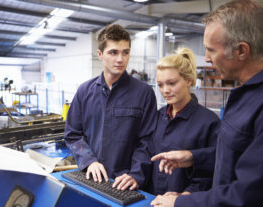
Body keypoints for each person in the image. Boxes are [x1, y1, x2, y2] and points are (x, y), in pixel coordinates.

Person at [150, 0, 263, 206]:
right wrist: (193, 157)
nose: (207, 59)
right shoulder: (243, 95)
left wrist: (180, 203)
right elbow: (233, 156)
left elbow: (248, 194)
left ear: (241, 51)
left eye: (211, 50)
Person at [64, 24, 157, 191]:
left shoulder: (144, 93)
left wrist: (136, 174)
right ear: (100, 54)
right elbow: (73, 134)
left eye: (125, 52)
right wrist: (88, 161)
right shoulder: (84, 92)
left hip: (125, 184)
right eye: (113, 52)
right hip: (91, 178)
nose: (120, 59)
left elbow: (147, 142)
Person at [147, 48, 219, 196]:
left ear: (188, 80)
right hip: (153, 199)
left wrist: (183, 197)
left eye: (171, 83)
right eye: (160, 85)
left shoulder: (209, 122)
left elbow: (211, 172)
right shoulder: (158, 116)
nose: (165, 90)